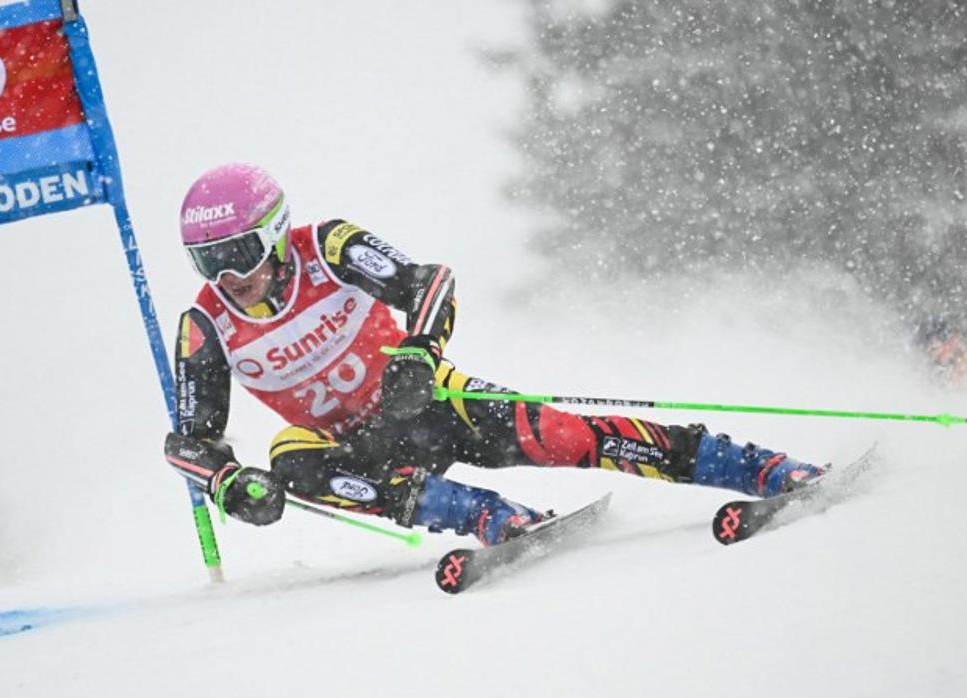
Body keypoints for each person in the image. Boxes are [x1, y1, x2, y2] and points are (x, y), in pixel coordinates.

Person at [169, 163, 823, 545]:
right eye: (209, 261)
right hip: (357, 451)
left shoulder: (329, 247)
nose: (230, 277)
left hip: (425, 401)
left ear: (275, 234)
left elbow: (430, 282)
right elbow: (189, 443)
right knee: (289, 456)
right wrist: (227, 483)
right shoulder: (205, 323)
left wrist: (421, 352)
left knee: (569, 436)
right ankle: (484, 516)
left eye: (239, 255)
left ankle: (757, 467)